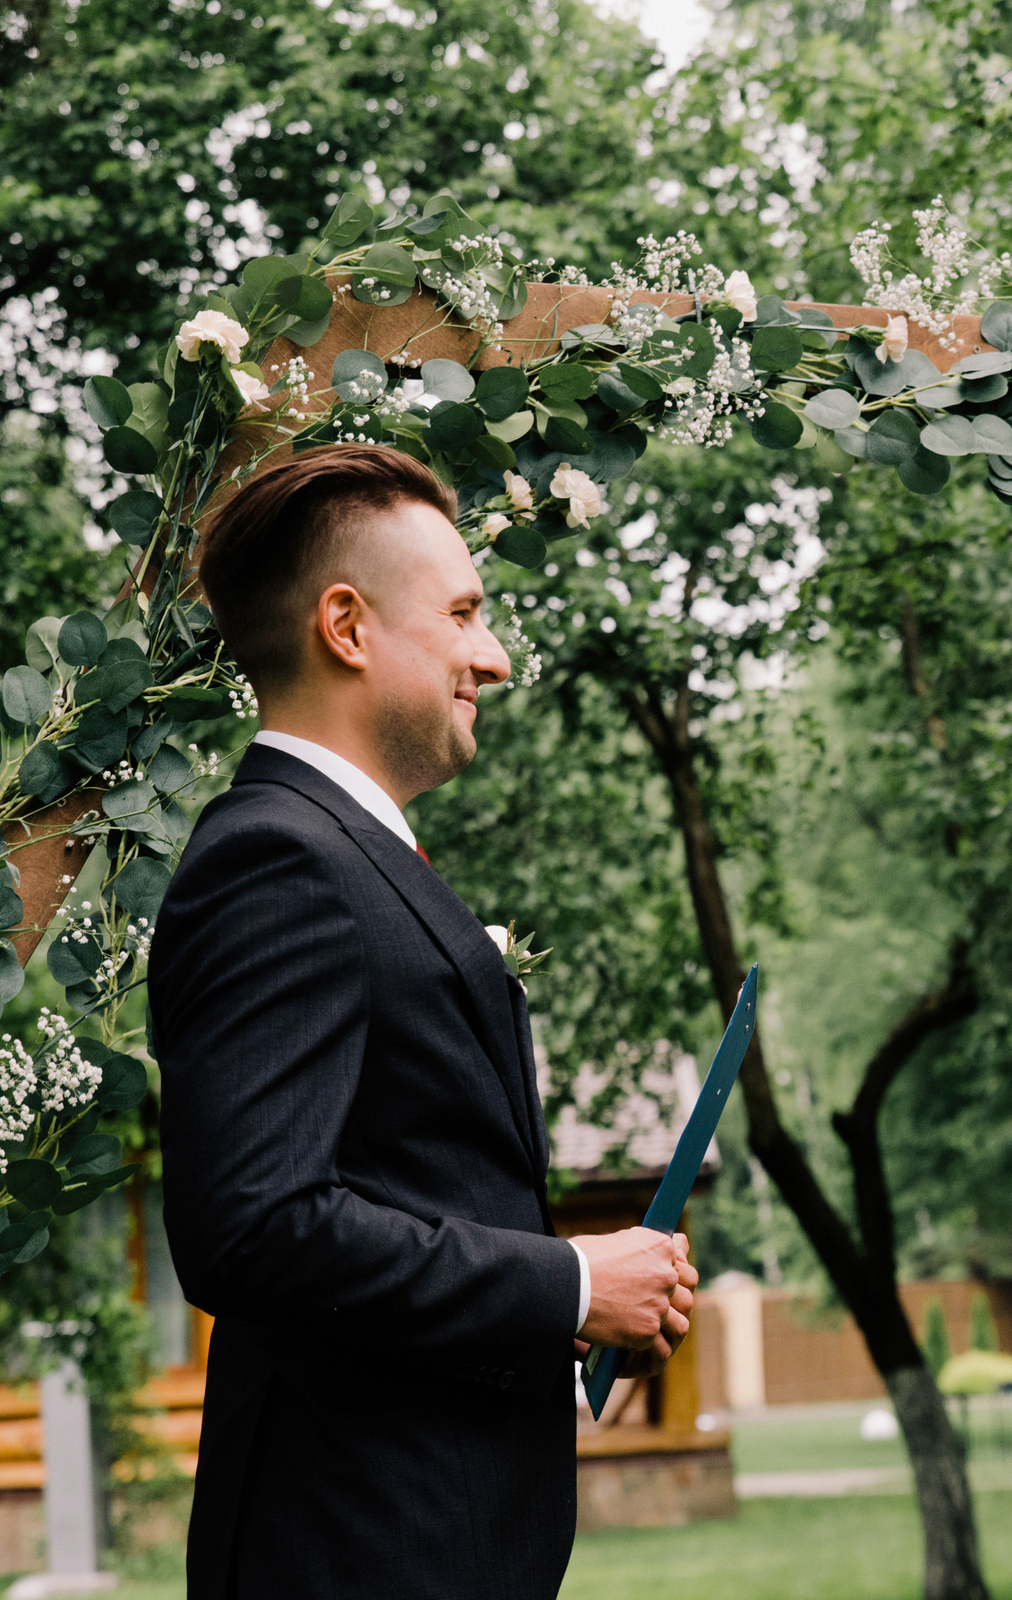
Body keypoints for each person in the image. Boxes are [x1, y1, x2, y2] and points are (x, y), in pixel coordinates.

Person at [151, 444, 698, 1600]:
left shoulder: (340, 852)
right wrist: (565, 1283)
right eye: (462, 612)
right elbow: (252, 1225)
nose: (492, 656)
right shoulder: (274, 860)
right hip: (362, 1552)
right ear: (345, 626)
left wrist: (575, 1299)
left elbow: (405, 1190)